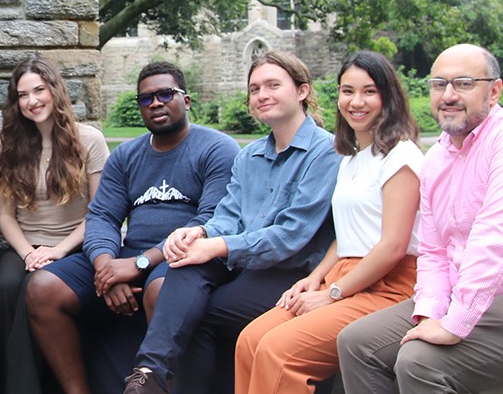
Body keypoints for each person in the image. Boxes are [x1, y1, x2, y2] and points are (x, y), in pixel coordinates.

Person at [337, 44, 503, 392]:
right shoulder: (438, 156)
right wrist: (429, 310)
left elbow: (497, 239)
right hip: (465, 297)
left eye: (464, 84)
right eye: (439, 84)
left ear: (494, 90)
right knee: (357, 343)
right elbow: (435, 250)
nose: (449, 95)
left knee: (420, 362)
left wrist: (455, 323)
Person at [125, 50, 341, 394]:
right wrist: (200, 232)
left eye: (273, 85)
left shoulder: (327, 151)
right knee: (184, 263)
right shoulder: (249, 155)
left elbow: (291, 234)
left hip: (291, 271)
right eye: (255, 89)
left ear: (302, 91)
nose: (262, 95)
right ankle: (149, 373)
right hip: (245, 264)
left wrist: (218, 245)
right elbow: (227, 216)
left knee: (202, 313)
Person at [26, 61, 238, 394]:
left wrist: (140, 264)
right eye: (146, 98)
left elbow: (210, 220)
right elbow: (102, 217)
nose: (155, 103)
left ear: (187, 100)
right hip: (128, 256)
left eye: (165, 94)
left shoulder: (216, 149)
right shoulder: (126, 156)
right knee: (43, 288)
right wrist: (105, 268)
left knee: (161, 289)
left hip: (185, 258)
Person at [235, 51, 423, 394]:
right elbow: (347, 234)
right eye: (347, 91)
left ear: (389, 96)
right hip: (345, 275)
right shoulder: (351, 158)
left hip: (389, 285)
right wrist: (315, 278)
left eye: (369, 91)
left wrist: (333, 294)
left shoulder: (402, 157)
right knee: (250, 340)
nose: (356, 102)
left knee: (280, 352)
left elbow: (393, 246)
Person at [0, 57, 111, 394]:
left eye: (39, 90)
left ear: (55, 90)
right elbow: (5, 216)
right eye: (23, 95)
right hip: (25, 246)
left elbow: (99, 213)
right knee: (4, 289)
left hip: (74, 247)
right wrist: (30, 253)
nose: (32, 101)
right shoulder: (10, 145)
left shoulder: (89, 141)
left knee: (32, 289)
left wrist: (56, 251)